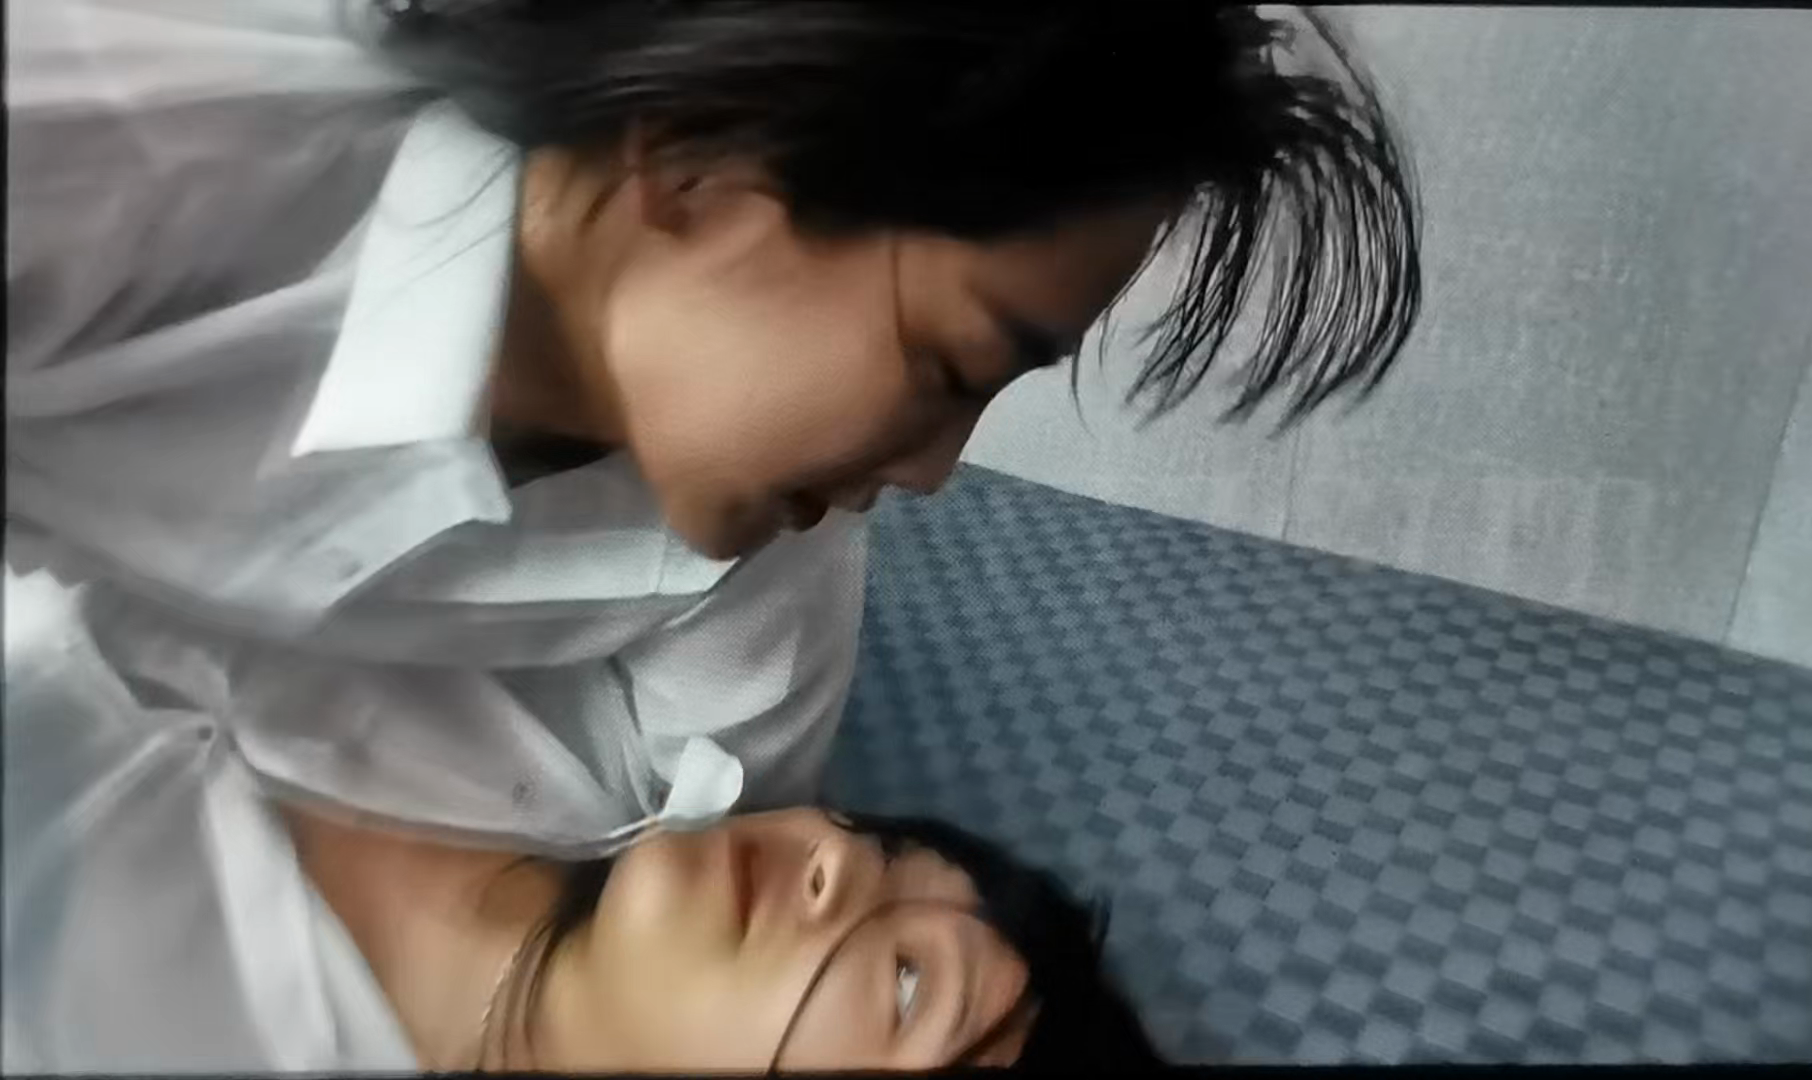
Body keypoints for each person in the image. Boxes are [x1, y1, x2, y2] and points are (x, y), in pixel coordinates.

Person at [5, 1, 1422, 835]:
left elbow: (676, 858)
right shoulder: (127, 124)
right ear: (694, 158)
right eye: (948, 364)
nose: (935, 475)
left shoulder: (759, 563)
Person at [2, 568, 1162, 1073]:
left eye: (909, 986)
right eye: (883, 841)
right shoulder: (649, 756)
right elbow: (772, 485)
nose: (830, 853)